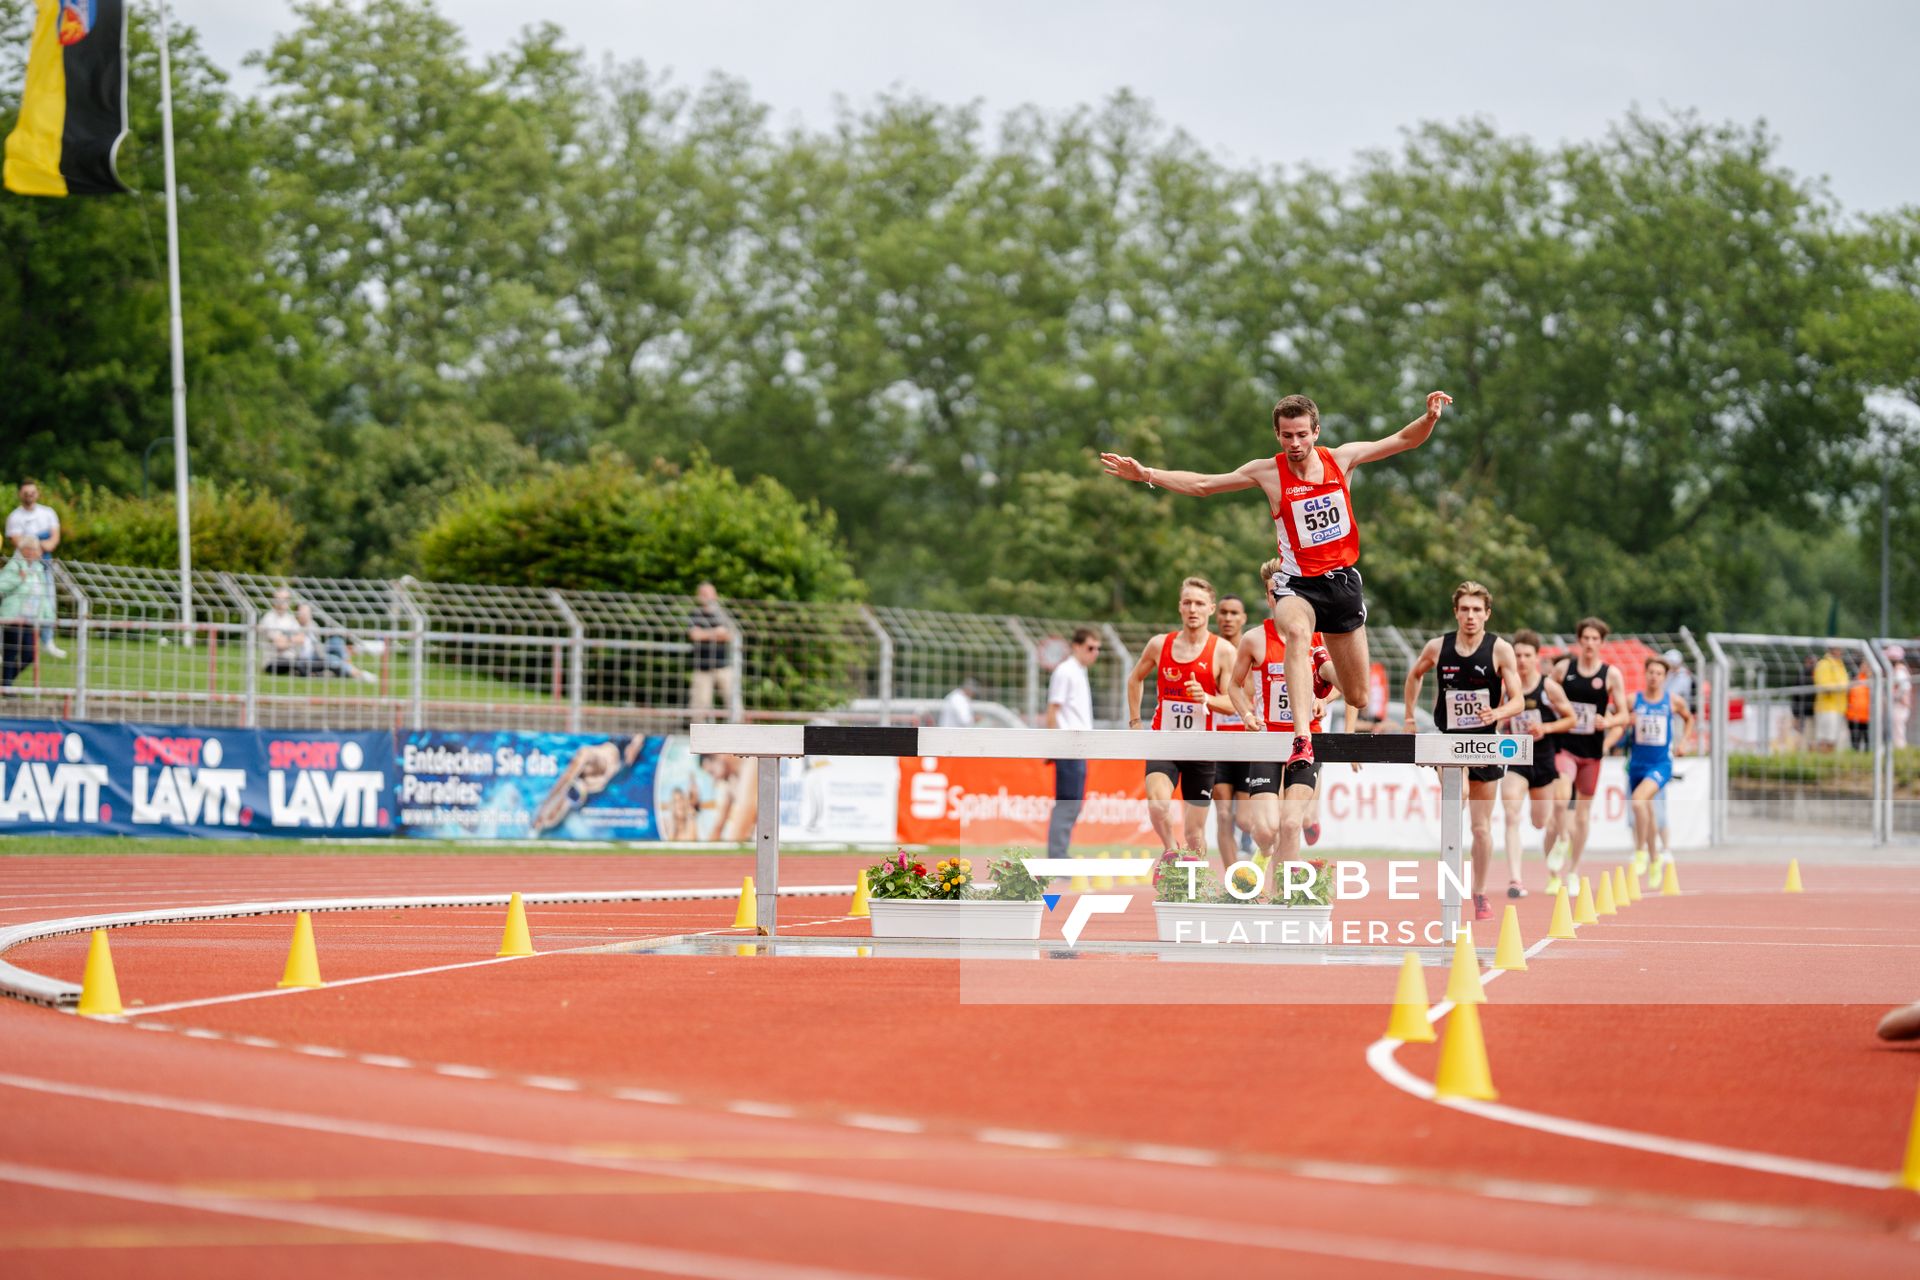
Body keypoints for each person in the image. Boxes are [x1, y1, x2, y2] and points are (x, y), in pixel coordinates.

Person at [1101, 389, 1454, 772]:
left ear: (1316, 431)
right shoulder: (1267, 472)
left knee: (1358, 695)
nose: (1295, 443)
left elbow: (1402, 440)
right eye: (1287, 436)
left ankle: (1320, 670)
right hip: (1297, 584)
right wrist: (1147, 474)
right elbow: (1204, 484)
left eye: (1302, 434)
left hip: (1342, 585)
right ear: (1278, 435)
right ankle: (1302, 739)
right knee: (1298, 634)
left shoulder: (1341, 459)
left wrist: (1430, 417)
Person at [1403, 582, 1526, 921]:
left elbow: (1518, 700)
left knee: (1481, 828)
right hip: (1449, 742)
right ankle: (1451, 889)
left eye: (1477, 610)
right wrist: (1410, 716)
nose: (1470, 616)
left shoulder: (1500, 650)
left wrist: (1497, 714)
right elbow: (1414, 675)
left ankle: (1480, 891)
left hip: (1485, 743)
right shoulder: (1438, 647)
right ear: (1456, 612)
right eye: (1465, 609)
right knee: (1453, 816)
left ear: (1487, 614)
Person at [1226, 559, 1340, 865]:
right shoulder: (1254, 639)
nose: (1279, 599)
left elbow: (1341, 682)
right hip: (1268, 741)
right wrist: (1247, 715)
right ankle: (1266, 855)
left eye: (1285, 593)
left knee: (1291, 824)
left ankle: (1284, 898)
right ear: (1268, 597)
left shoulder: (1316, 638)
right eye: (1273, 593)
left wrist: (1324, 701)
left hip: (1306, 741)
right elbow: (1234, 686)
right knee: (1263, 829)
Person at [1127, 578, 1234, 856]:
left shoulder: (1223, 651)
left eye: (1199, 603)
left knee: (1194, 834)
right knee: (1158, 804)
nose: (1193, 609)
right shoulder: (1160, 645)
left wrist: (1207, 698)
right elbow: (1135, 678)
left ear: (1211, 608)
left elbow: (1233, 703)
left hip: (1201, 749)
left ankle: (1194, 886)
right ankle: (1170, 850)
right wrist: (1135, 722)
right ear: (1180, 607)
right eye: (1187, 603)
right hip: (1165, 743)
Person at [1547, 618, 1630, 889]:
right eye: (1586, 638)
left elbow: (1625, 715)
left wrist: (1609, 722)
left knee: (1582, 816)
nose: (1591, 643)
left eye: (1596, 639)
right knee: (1560, 800)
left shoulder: (1611, 675)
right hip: (1565, 747)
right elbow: (1544, 693)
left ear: (1602, 643)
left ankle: (1573, 870)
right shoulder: (1563, 669)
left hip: (1592, 753)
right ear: (1579, 641)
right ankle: (1562, 839)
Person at [1497, 629, 1576, 900]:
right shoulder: (1507, 687)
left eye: (1526, 655)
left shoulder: (1548, 687)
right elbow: (1497, 718)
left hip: (1543, 761)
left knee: (1541, 822)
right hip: (1517, 760)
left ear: (1536, 658)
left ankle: (1559, 849)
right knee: (1510, 814)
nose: (1521, 660)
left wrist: (1546, 727)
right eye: (1517, 655)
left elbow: (1572, 718)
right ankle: (1516, 879)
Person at [1628, 654, 1694, 877]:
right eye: (1651, 673)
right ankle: (1655, 858)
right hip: (1636, 764)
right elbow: (1617, 717)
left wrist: (1684, 742)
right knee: (1647, 810)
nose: (1654, 677)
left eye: (1659, 674)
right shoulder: (1633, 700)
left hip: (1661, 764)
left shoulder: (1672, 701)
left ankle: (1640, 852)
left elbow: (1689, 718)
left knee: (1638, 802)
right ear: (1645, 674)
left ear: (1665, 677)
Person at [1207, 593, 1257, 857]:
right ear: (1217, 616)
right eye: (1224, 612)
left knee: (1245, 821)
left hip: (1248, 745)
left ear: (1243, 618)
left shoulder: (1252, 651)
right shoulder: (1207, 652)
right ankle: (1233, 883)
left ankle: (1257, 853)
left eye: (1234, 613)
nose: (1228, 618)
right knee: (1224, 814)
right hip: (1219, 744)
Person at [1045, 628, 1100, 859]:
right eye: (1090, 647)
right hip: (1068, 745)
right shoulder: (1065, 671)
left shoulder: (1079, 671)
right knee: (1068, 803)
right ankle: (1058, 856)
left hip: (1079, 746)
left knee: (1074, 803)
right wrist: (1054, 744)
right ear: (1076, 646)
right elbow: (1053, 709)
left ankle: (1060, 853)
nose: (1094, 653)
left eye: (1098, 648)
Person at [530, 735, 648, 836]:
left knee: (575, 787)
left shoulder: (600, 769)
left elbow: (630, 757)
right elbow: (629, 757)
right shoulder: (598, 763)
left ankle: (542, 817)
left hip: (606, 765)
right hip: (605, 763)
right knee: (573, 785)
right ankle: (542, 817)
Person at [5, 482, 62, 658]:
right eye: (26, 492)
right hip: (22, 566)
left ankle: (48, 641)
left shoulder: (48, 513)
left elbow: (53, 540)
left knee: (47, 602)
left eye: (32, 492)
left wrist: (35, 544)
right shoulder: (15, 517)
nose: (29, 495)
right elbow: (18, 542)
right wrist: (37, 544)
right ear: (20, 494)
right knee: (16, 603)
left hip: (44, 564)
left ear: (37, 494)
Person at [1, 537, 53, 685]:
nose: (31, 552)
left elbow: (43, 595)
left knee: (29, 654)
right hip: (13, 617)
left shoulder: (38, 569)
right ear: (21, 550)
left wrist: (49, 616)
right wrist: (18, 579)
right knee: (10, 652)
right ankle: (7, 686)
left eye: (34, 549)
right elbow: (2, 586)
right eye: (28, 549)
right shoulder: (14, 566)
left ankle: (7, 680)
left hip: (31, 618)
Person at [687, 582, 734, 720]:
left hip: (723, 666)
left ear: (715, 595)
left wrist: (705, 634)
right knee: (699, 708)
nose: (707, 597)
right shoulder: (695, 614)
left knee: (733, 704)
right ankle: (698, 737)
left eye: (709, 593)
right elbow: (695, 635)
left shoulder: (722, 615)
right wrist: (716, 633)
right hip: (702, 667)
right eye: (703, 594)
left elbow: (729, 635)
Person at [1811, 644, 1849, 752]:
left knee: (1834, 741)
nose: (1840, 651)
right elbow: (1823, 685)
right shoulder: (1824, 664)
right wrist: (1840, 687)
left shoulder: (1839, 664)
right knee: (1826, 740)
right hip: (1827, 708)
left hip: (1839, 707)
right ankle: (1822, 763)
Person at [259, 589, 308, 673]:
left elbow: (302, 639)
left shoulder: (290, 618)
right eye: (280, 599)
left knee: (318, 662)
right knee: (298, 664)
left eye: (286, 599)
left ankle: (318, 673)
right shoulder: (269, 618)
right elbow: (279, 644)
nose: (283, 602)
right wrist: (293, 639)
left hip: (292, 658)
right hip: (273, 661)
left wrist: (287, 639)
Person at [1888, 645, 1913, 748]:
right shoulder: (1898, 670)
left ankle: (1900, 751)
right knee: (1896, 730)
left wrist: (1897, 697)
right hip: (1898, 704)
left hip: (1899, 705)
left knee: (1898, 731)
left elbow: (1904, 687)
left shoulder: (1900, 671)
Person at [1845, 661, 1872, 752]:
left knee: (1868, 742)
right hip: (1854, 715)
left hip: (1868, 716)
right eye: (1863, 665)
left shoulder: (1873, 681)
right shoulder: (1854, 679)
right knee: (1855, 742)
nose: (1865, 668)